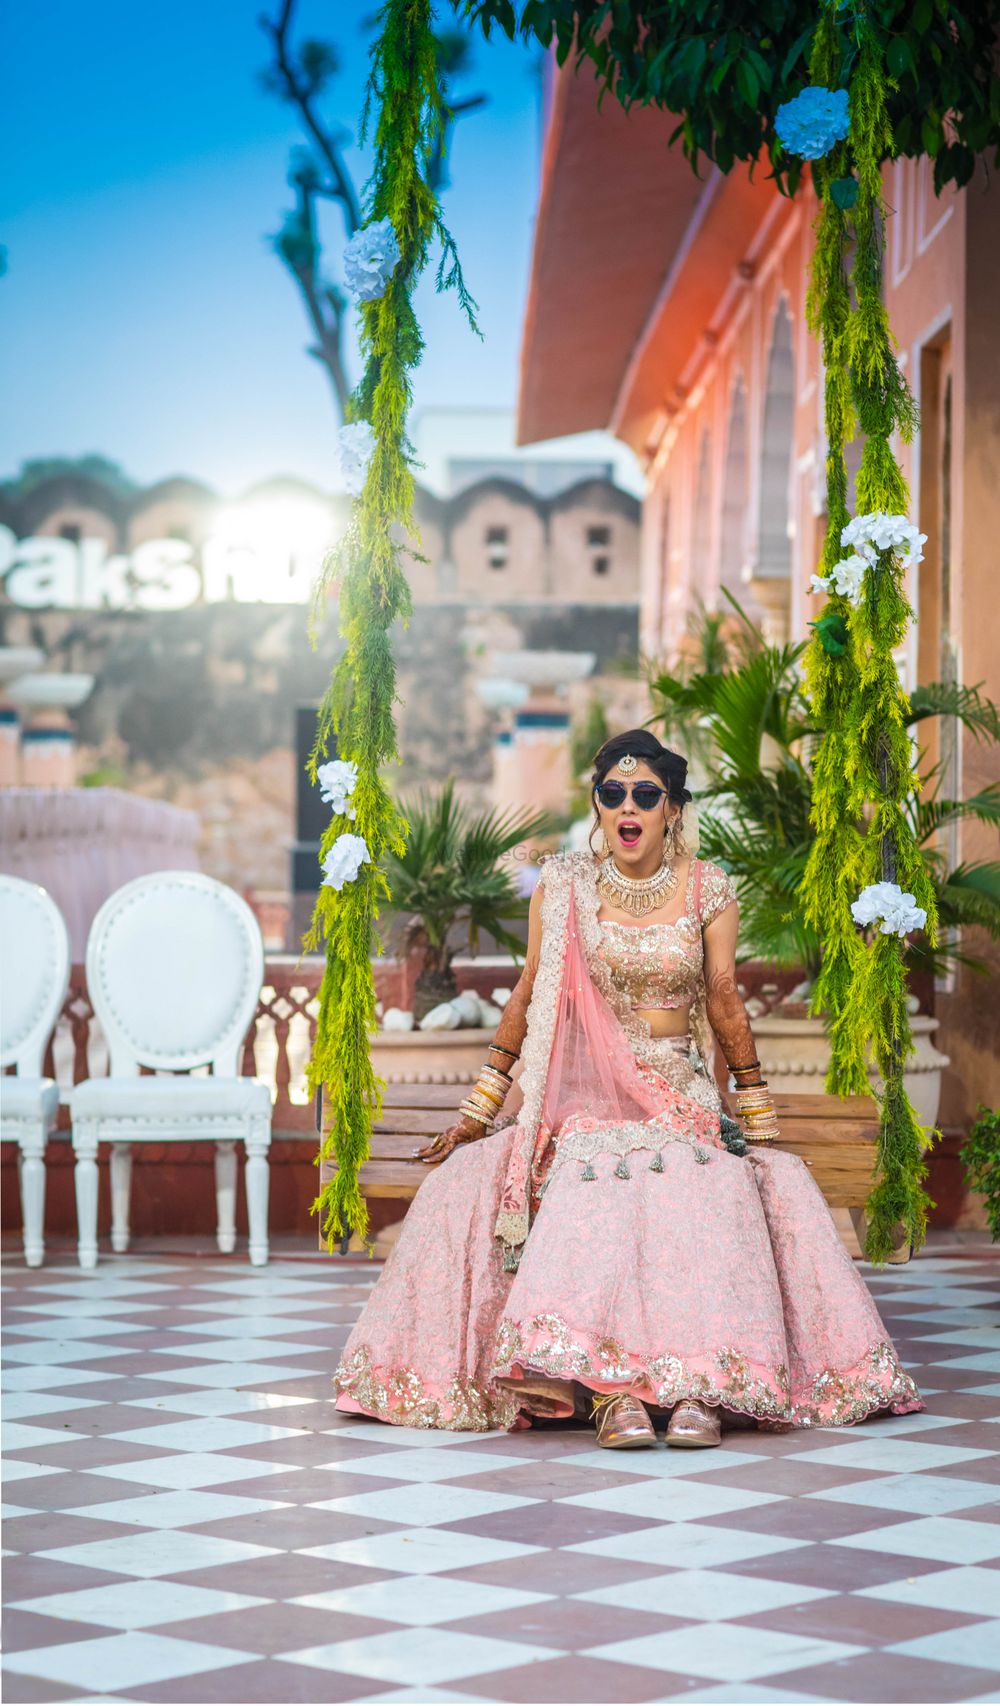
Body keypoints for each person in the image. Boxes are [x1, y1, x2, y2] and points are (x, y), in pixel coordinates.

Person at [334, 730, 922, 1448]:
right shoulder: (565, 886)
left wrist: (758, 1119)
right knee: (591, 1181)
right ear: (598, 804)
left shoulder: (707, 887)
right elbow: (529, 992)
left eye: (646, 794)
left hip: (678, 1089)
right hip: (582, 1098)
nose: (628, 806)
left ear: (673, 809)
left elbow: (724, 998)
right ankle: (615, 1395)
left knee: (703, 1184)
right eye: (613, 794)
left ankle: (700, 1386)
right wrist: (479, 1110)